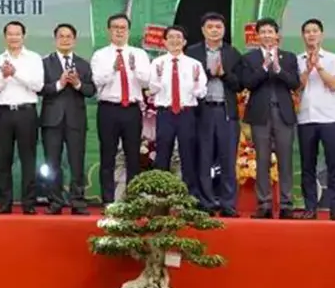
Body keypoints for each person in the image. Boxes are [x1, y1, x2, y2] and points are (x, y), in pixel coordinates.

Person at [185, 12, 244, 217]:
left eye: (218, 27)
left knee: (228, 159)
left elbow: (240, 84)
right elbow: (187, 82)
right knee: (204, 157)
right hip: (202, 112)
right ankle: (206, 202)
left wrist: (224, 75)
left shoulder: (232, 53)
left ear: (224, 30)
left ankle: (228, 204)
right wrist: (208, 74)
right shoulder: (192, 53)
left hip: (226, 112)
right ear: (203, 30)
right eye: (210, 27)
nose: (214, 31)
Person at [91, 12, 152, 205]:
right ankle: (108, 201)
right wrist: (113, 69)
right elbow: (96, 81)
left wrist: (134, 69)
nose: (119, 31)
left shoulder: (139, 54)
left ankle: (132, 200)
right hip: (108, 109)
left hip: (132, 110)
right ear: (109, 31)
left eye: (123, 28)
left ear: (128, 31)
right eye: (115, 28)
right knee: (107, 155)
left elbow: (146, 82)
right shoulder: (100, 55)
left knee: (133, 155)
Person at [241, 17, 299, 219]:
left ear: (277, 35)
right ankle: (264, 204)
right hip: (260, 114)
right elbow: (248, 83)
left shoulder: (288, 57)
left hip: (283, 113)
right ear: (257, 36)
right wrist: (264, 67)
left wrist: (278, 70)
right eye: (263, 32)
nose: (267, 35)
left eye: (270, 32)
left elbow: (294, 83)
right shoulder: (250, 58)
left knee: (285, 159)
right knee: (262, 159)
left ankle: (286, 204)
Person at [39, 23, 95, 215]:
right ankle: (55, 201)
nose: (65, 40)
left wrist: (78, 84)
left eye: (68, 36)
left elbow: (91, 90)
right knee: (52, 163)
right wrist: (60, 83)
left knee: (76, 162)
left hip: (76, 120)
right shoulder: (45, 63)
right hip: (51, 120)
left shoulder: (83, 64)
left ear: (74, 40)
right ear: (55, 40)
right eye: (61, 36)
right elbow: (40, 88)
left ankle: (77, 201)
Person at [0, 20, 44, 214]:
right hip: (4, 113)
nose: (14, 37)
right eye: (10, 34)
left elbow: (38, 86)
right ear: (5, 37)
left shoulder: (34, 58)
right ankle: (5, 203)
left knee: (28, 159)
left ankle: (28, 203)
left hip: (26, 112)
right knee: (3, 160)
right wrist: (5, 77)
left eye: (17, 34)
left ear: (23, 36)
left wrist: (15, 73)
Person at [294, 18, 335, 219]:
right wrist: (307, 69)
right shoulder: (296, 60)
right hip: (305, 118)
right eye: (307, 31)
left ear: (321, 35)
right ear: (303, 36)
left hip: (330, 118)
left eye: (315, 31)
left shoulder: (334, 59)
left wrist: (319, 67)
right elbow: (296, 88)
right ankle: (310, 208)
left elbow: (334, 85)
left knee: (334, 164)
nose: (311, 35)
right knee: (308, 165)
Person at [150, 26, 208, 198]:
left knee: (188, 154)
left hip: (186, 113)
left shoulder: (194, 64)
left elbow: (201, 92)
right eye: (171, 37)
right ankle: (160, 195)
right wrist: (158, 78)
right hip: (165, 113)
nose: (175, 40)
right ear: (164, 42)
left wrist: (196, 84)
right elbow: (152, 89)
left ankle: (190, 195)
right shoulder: (157, 63)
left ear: (184, 42)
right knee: (163, 153)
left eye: (178, 37)